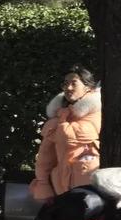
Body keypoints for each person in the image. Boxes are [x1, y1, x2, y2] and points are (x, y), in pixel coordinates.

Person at [30, 67, 102, 200]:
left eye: (74, 83)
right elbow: (46, 154)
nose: (68, 88)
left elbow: (71, 137)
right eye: (65, 83)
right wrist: (43, 182)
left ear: (88, 86)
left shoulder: (95, 108)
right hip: (62, 180)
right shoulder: (61, 112)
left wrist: (60, 121)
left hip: (87, 176)